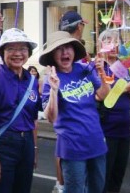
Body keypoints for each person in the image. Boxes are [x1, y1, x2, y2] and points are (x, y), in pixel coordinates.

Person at [41, 31, 110, 193]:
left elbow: (103, 96)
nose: (65, 52)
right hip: (72, 147)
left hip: (96, 142)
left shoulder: (85, 69)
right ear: (53, 54)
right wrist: (53, 90)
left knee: (97, 188)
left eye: (68, 48)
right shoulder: (50, 79)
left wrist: (101, 73)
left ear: (74, 51)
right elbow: (51, 117)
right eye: (60, 49)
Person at [0, 28, 41, 193]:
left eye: (22, 48)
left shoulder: (32, 81)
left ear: (28, 52)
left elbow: (33, 119)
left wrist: (34, 150)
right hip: (3, 145)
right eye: (11, 48)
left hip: (26, 143)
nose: (17, 53)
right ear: (2, 52)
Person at [96, 30, 130, 193]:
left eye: (116, 41)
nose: (113, 45)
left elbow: (123, 93)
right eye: (108, 41)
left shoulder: (122, 66)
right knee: (104, 175)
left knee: (118, 174)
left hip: (124, 129)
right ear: (101, 45)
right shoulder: (99, 66)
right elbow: (102, 98)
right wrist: (124, 88)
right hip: (107, 128)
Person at [53, 10, 89, 193]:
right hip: (69, 103)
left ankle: (62, 184)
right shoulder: (72, 48)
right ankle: (62, 184)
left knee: (64, 144)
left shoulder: (63, 45)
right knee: (65, 145)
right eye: (83, 25)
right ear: (79, 26)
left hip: (76, 103)